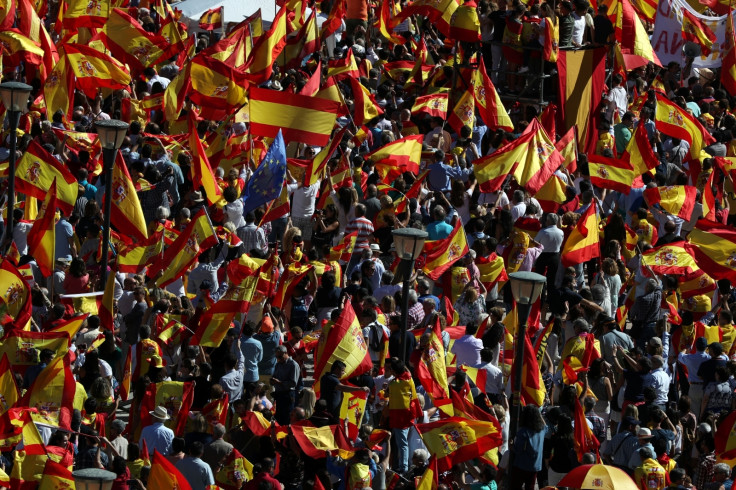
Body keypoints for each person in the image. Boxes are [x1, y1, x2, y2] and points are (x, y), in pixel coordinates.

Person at [271, 345, 301, 425]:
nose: (278, 359)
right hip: (279, 394)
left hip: (288, 395)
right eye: (276, 357)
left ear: (285, 353)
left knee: (287, 418)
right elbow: (275, 376)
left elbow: (293, 383)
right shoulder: (278, 364)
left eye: (280, 356)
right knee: (279, 417)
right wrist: (273, 380)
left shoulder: (293, 365)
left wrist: (279, 382)